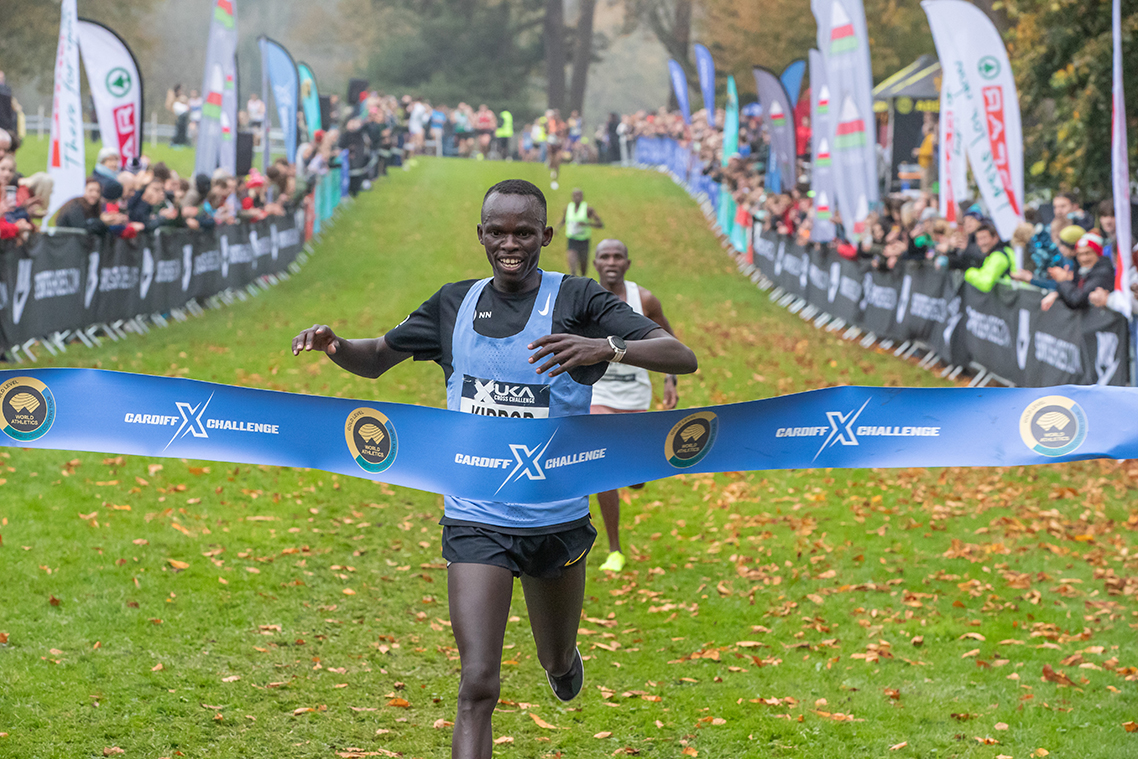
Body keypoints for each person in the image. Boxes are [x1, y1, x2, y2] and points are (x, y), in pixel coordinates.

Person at [291, 179, 697, 759]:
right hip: (475, 516)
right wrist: (336, 346)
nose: (511, 243)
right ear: (480, 235)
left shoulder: (578, 299)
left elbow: (682, 355)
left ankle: (561, 660)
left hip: (555, 517)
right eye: (498, 232)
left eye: (524, 232)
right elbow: (378, 358)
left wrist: (607, 347)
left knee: (554, 659)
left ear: (546, 236)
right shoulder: (454, 303)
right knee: (478, 682)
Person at [589, 239, 679, 572]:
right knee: (604, 465)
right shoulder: (582, 298)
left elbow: (670, 344)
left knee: (636, 477)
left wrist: (671, 379)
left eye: (617, 257)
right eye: (604, 257)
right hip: (597, 395)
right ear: (595, 263)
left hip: (635, 394)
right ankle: (614, 549)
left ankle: (634, 471)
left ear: (627, 263)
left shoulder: (645, 300)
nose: (611, 262)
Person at [1042, 232, 1115, 311]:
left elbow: (1078, 299)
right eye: (1080, 254)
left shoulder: (1103, 272)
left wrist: (1064, 281)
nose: (1084, 258)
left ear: (1097, 254)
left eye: (1088, 253)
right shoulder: (1082, 271)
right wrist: (1057, 294)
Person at [555, 188, 604, 277]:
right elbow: (564, 220)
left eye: (579, 195)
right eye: (575, 196)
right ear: (572, 197)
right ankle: (575, 287)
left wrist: (587, 224)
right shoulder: (568, 208)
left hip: (584, 241)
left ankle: (583, 286)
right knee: (573, 268)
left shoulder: (588, 209)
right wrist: (556, 228)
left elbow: (600, 224)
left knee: (583, 270)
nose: (577, 198)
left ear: (582, 197)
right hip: (572, 241)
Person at [963, 223, 1017, 293]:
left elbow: (985, 283)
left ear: (995, 238)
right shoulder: (1003, 251)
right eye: (978, 239)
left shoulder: (999, 256)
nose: (980, 243)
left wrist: (968, 273)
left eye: (984, 238)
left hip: (1010, 297)